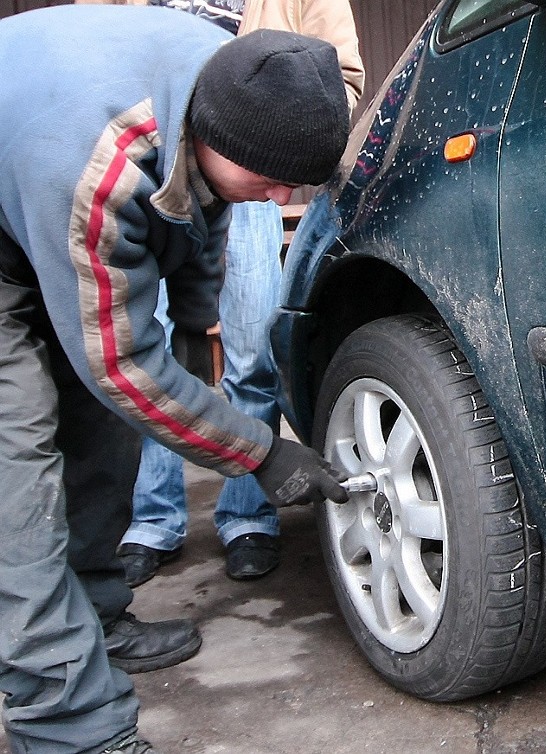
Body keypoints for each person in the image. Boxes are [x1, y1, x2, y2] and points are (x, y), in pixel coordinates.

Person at [0, 4, 350, 752]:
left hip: (38, 177)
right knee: (17, 487)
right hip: (28, 193)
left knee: (103, 432)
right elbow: (126, 370)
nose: (281, 202)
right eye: (272, 181)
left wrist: (196, 330)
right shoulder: (100, 168)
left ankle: (94, 617)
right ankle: (70, 730)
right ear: (213, 138)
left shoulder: (223, 86)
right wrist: (260, 450)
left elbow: (203, 209)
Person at [89, 0, 365, 586]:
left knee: (252, 351)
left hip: (252, 174)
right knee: (145, 350)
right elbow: (103, 57)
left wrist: (275, 129)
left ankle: (248, 514)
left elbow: (344, 75)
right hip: (155, 167)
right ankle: (152, 519)